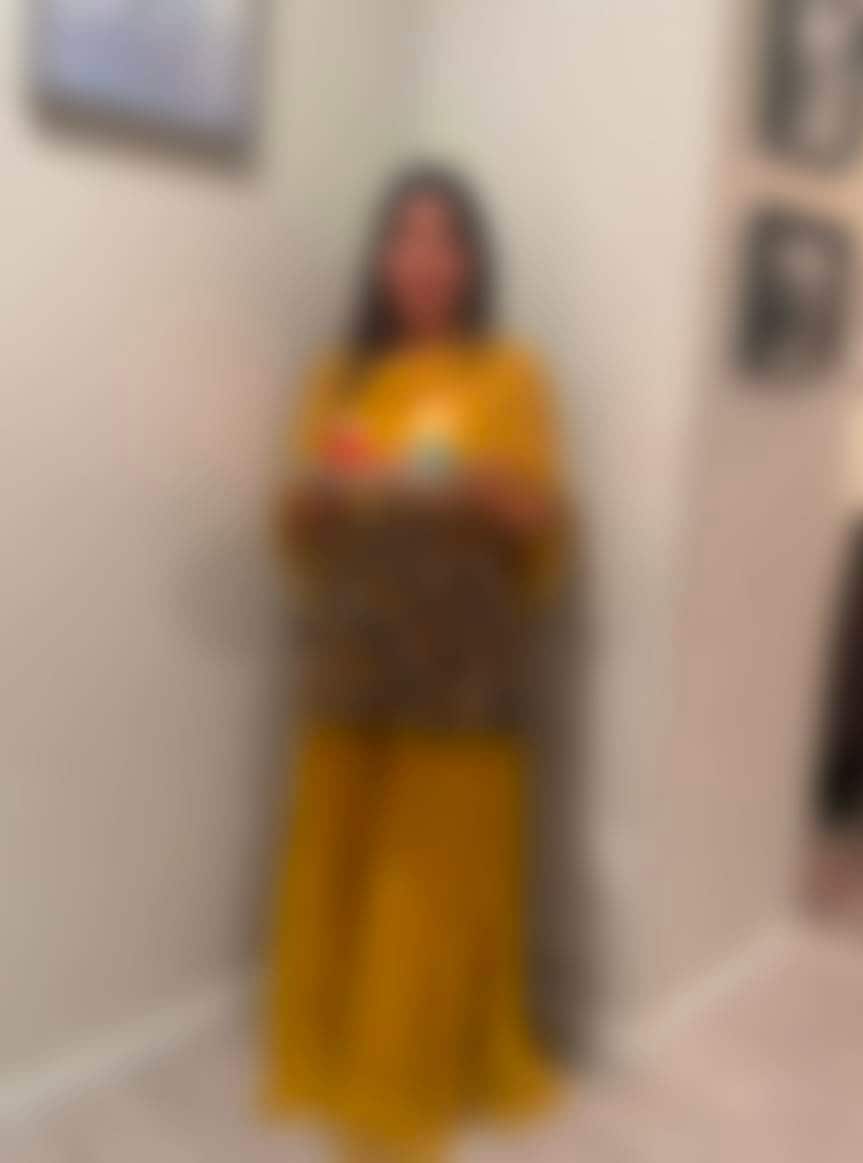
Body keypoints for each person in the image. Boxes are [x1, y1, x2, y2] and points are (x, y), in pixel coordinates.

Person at [262, 165, 565, 1159]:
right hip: (353, 661)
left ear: (472, 260)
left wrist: (475, 479)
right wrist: (318, 491)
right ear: (380, 257)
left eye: (444, 238)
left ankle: (411, 1071)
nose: (423, 259)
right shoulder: (338, 378)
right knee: (338, 866)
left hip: (461, 675)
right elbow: (296, 524)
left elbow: (543, 523)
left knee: (432, 884)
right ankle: (331, 1047)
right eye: (404, 236)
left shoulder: (508, 373)